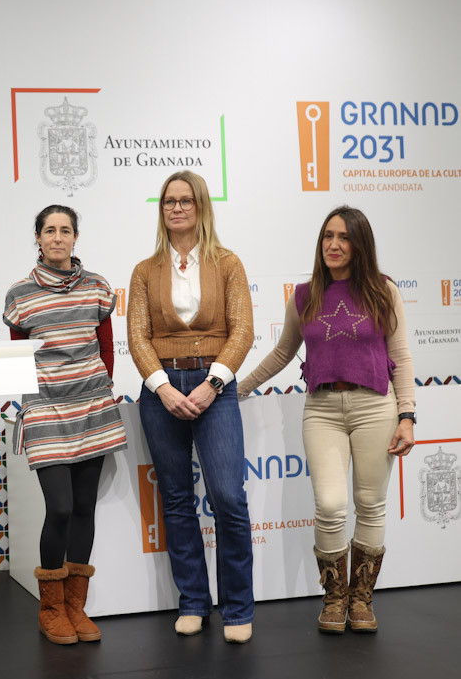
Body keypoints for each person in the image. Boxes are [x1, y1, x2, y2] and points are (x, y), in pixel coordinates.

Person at [239, 205, 415, 634]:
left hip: (376, 406)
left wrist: (407, 415)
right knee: (331, 505)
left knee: (370, 505)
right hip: (322, 409)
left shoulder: (384, 290)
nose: (334, 245)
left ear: (360, 244)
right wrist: (237, 387)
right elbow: (283, 353)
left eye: (344, 237)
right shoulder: (304, 295)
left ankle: (361, 600)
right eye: (327, 237)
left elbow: (401, 356)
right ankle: (334, 596)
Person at [126, 170, 255, 643]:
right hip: (161, 390)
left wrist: (212, 384)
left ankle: (238, 607)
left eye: (185, 200)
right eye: (168, 202)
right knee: (177, 500)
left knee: (227, 497)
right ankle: (194, 602)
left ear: (201, 205)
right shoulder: (144, 270)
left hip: (213, 385)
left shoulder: (227, 263)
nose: (176, 208)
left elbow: (242, 331)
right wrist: (161, 387)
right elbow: (137, 337)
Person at [2, 204, 126, 645]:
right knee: (58, 507)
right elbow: (17, 360)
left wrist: (95, 390)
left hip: (91, 407)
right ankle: (51, 608)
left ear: (76, 238)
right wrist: (41, 397)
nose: (57, 237)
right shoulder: (20, 294)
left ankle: (76, 606)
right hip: (44, 409)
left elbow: (107, 348)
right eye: (49, 230)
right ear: (37, 238)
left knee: (83, 509)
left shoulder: (98, 287)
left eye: (65, 230)